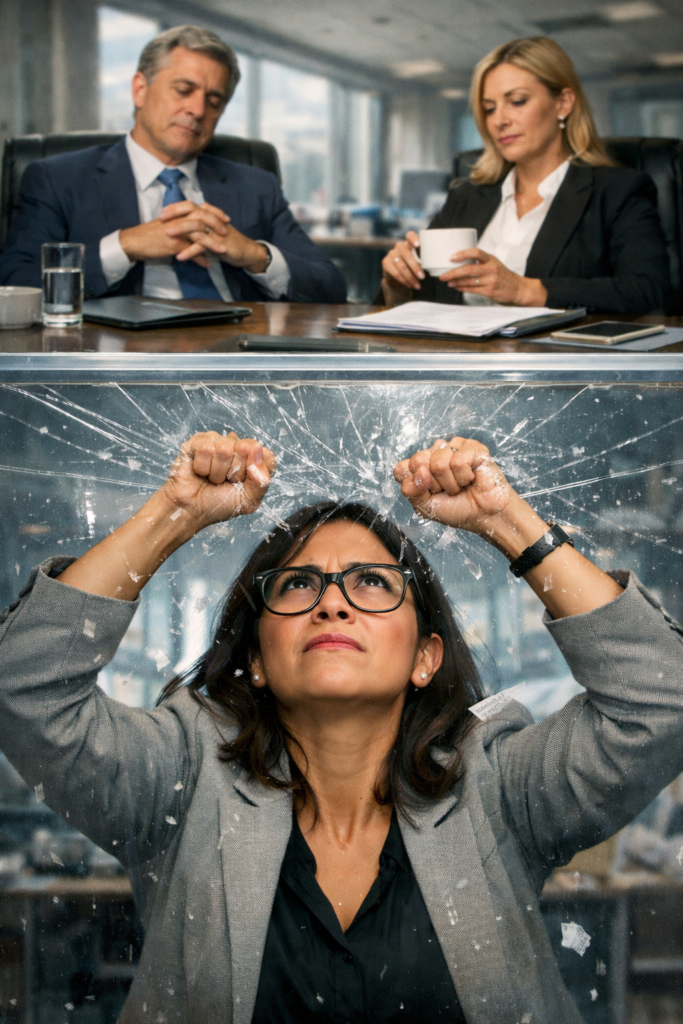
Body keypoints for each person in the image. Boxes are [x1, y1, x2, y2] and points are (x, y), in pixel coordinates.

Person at [1, 429, 682, 1024]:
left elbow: (660, 701)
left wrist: (507, 522)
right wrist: (173, 514)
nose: (331, 604)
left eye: (372, 583)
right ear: (257, 660)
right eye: (296, 586)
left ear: (425, 657)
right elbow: (25, 690)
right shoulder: (178, 778)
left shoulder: (499, 787)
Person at [0, 25, 346, 305]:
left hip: (238, 360)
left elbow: (331, 288)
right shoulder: (58, 178)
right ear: (140, 90)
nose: (198, 110)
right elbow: (15, 284)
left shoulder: (256, 185)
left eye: (214, 101)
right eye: (183, 90)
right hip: (122, 366)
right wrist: (125, 246)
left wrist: (255, 255)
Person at [382, 36, 670, 315]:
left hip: (554, 361)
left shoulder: (617, 191)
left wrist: (525, 291)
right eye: (489, 108)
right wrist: (398, 284)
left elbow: (646, 289)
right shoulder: (466, 197)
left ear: (563, 103)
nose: (499, 120)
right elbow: (422, 301)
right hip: (459, 359)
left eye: (517, 101)